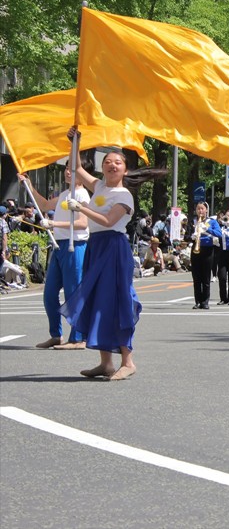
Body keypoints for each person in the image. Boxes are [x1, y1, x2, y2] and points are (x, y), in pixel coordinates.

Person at [60, 142, 142, 380]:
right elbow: (76, 167)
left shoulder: (124, 195)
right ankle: (106, 363)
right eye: (107, 162)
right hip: (95, 247)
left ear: (125, 169)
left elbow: (108, 221)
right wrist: (75, 142)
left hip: (113, 248)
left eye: (117, 162)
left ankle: (128, 362)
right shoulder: (99, 186)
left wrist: (82, 208)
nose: (112, 165)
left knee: (117, 301)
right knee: (98, 301)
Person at [20, 158, 92, 350]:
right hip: (60, 246)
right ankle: (56, 335)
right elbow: (44, 205)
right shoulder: (64, 194)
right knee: (49, 294)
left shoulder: (82, 195)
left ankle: (78, 337)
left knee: (73, 293)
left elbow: (82, 223)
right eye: (67, 168)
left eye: (72, 169)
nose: (68, 172)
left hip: (75, 245)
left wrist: (53, 224)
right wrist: (29, 184)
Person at [187, 201, 222, 309]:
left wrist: (207, 229)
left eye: (202, 208)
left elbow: (219, 233)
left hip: (208, 250)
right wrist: (191, 236)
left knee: (206, 277)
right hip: (196, 249)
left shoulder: (212, 222)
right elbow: (186, 236)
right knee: (196, 277)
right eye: (198, 209)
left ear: (206, 210)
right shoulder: (192, 221)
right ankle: (197, 301)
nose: (200, 211)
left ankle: (205, 301)